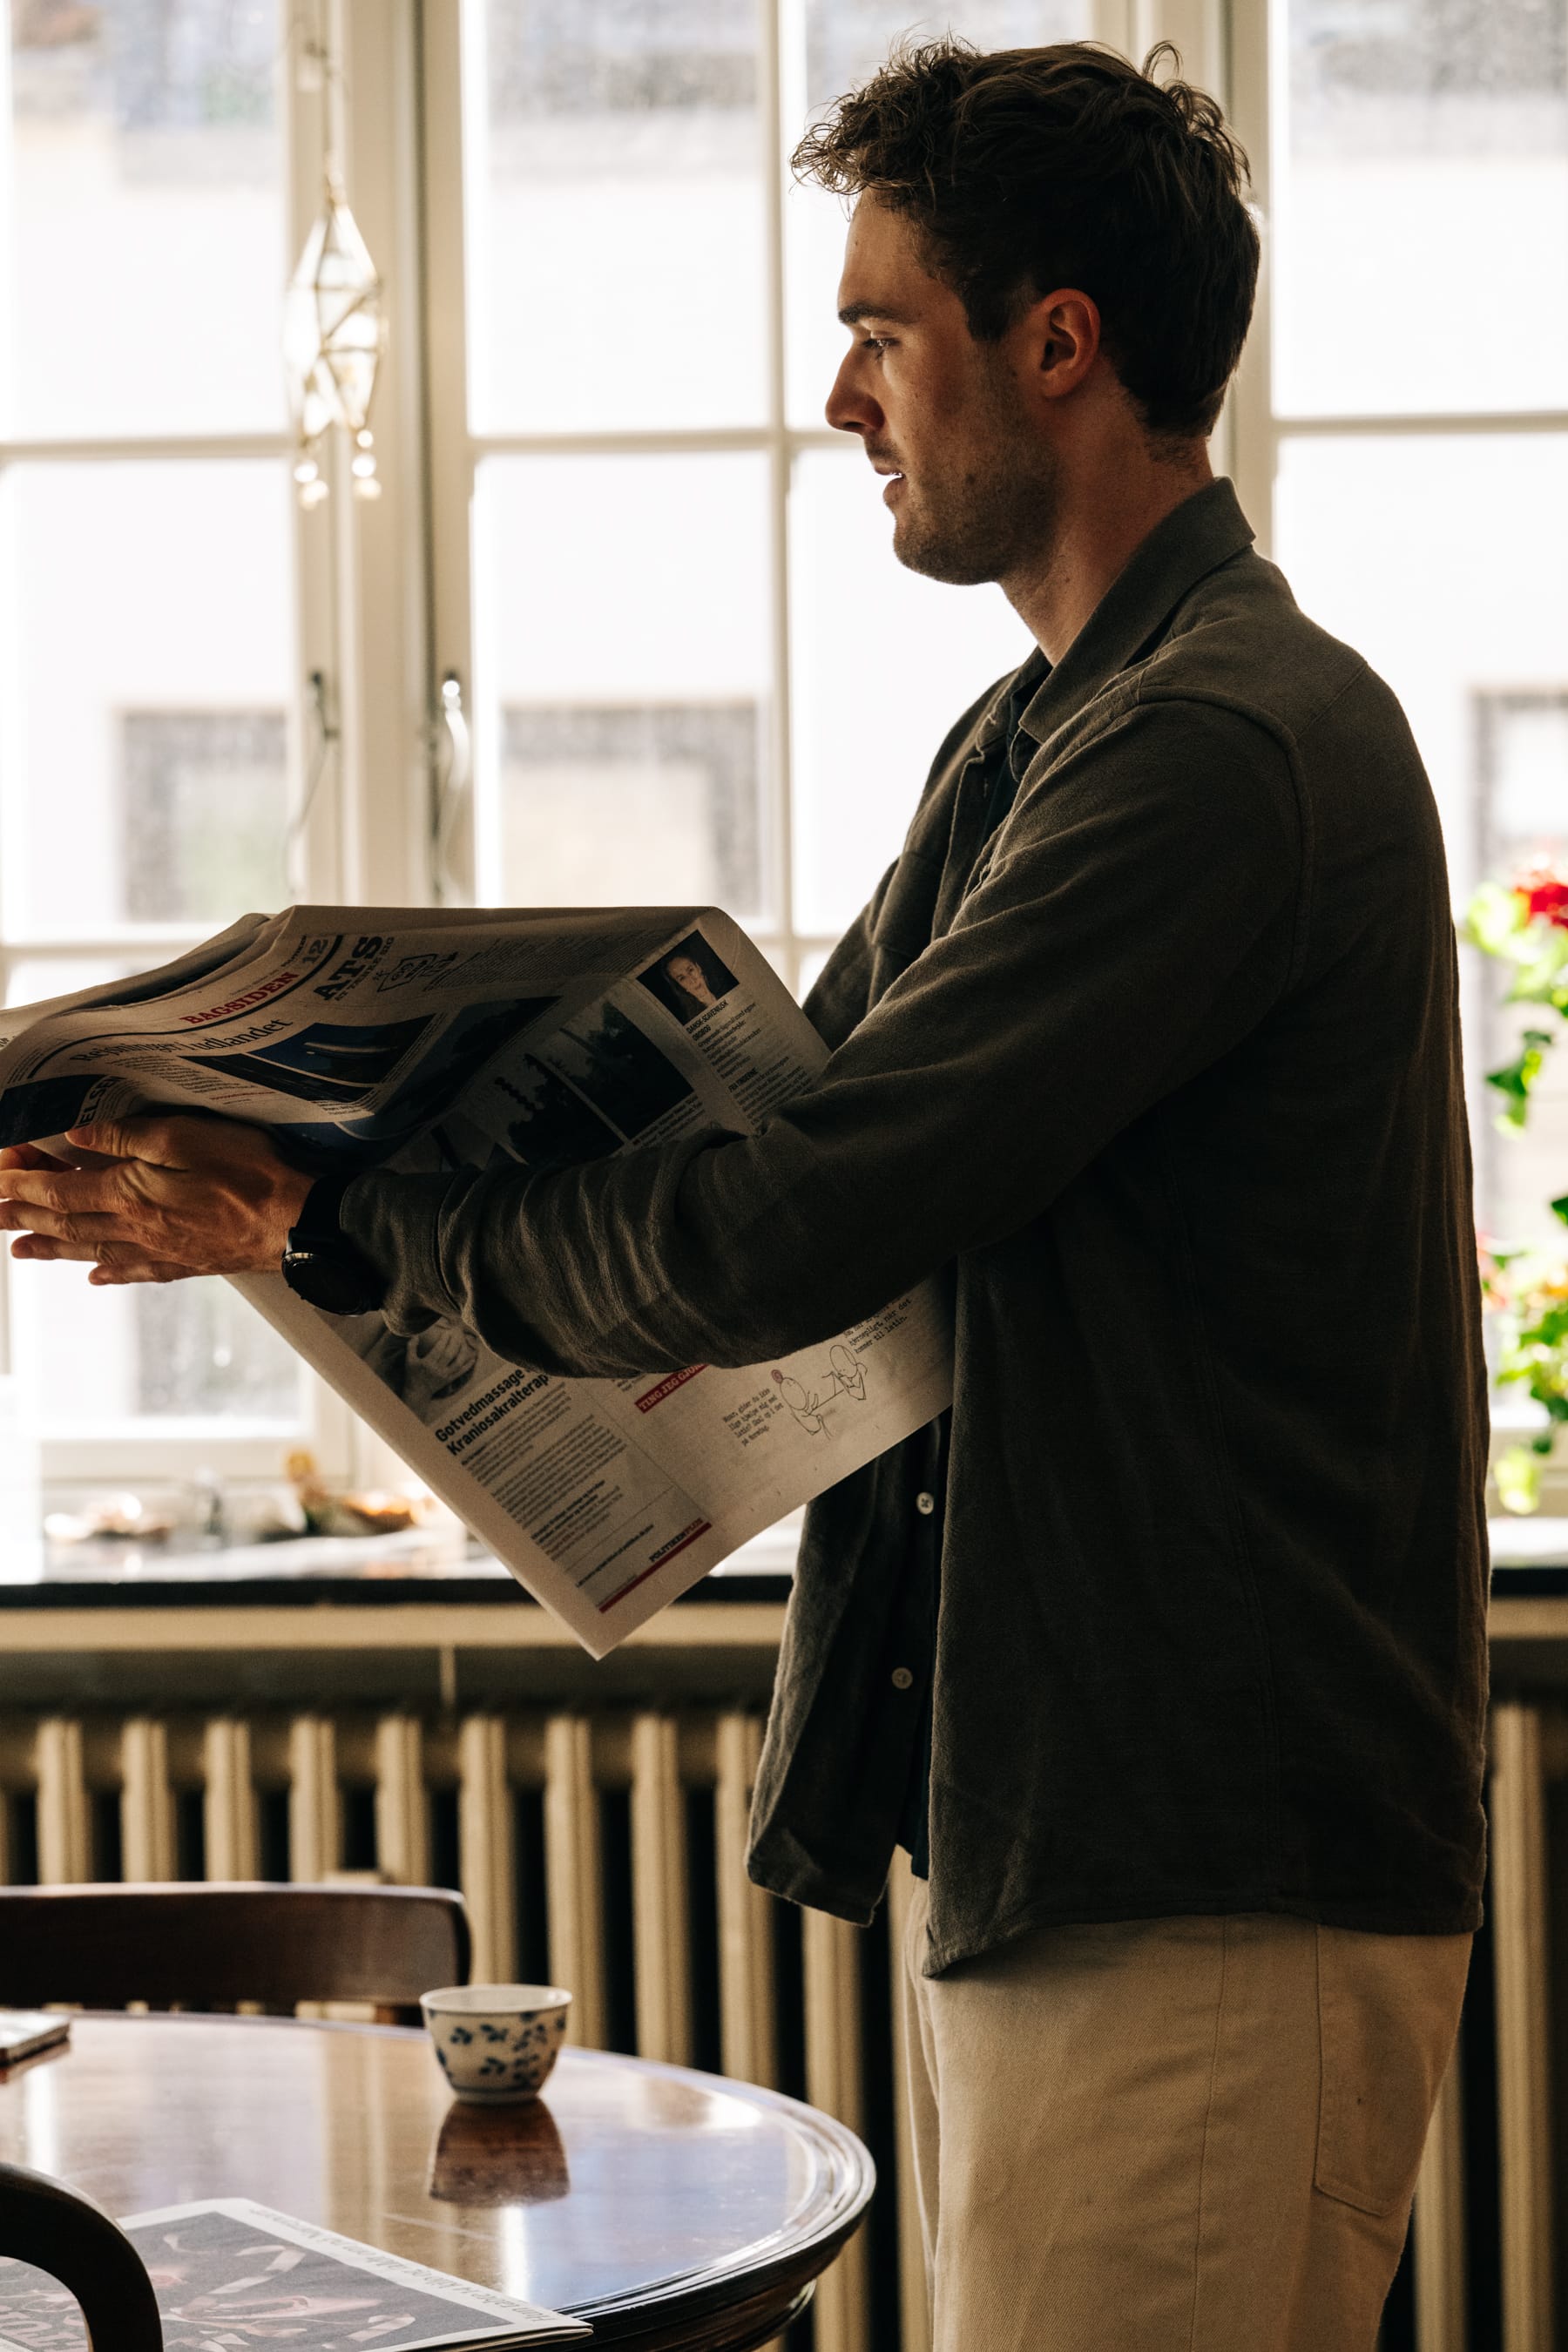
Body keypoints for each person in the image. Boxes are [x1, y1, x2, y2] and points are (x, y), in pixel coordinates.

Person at [0, 39, 1487, 2350]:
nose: (839, 394)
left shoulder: (1219, 745)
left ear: (1058, 343)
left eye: (885, 326)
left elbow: (793, 1210)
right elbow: (760, 1126)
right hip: (1076, 1843)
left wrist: (322, 1224)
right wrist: (290, 1159)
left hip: (1208, 1867)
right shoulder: (1037, 738)